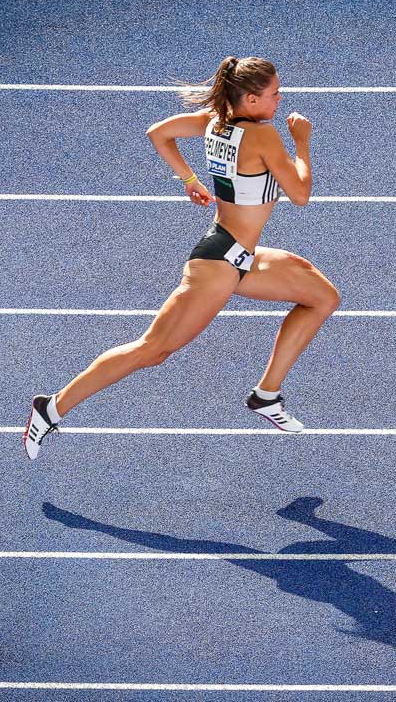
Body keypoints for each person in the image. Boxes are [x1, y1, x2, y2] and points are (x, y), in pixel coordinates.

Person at [23, 56, 339, 459]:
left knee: (322, 296)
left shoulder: (214, 120)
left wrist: (190, 181)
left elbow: (159, 133)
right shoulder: (265, 138)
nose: (280, 100)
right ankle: (50, 408)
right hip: (219, 263)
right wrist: (302, 142)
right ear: (250, 99)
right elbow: (300, 194)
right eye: (274, 94)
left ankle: (266, 394)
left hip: (236, 251)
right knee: (152, 350)